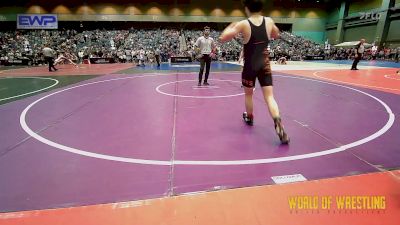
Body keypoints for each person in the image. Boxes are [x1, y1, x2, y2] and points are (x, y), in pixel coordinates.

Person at [219, 0, 289, 144]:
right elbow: (276, 35)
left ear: (246, 8)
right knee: (270, 97)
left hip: (250, 66)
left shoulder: (243, 24)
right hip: (265, 65)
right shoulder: (269, 21)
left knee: (249, 94)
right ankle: (277, 121)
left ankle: (250, 117)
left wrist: (230, 26)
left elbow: (223, 38)